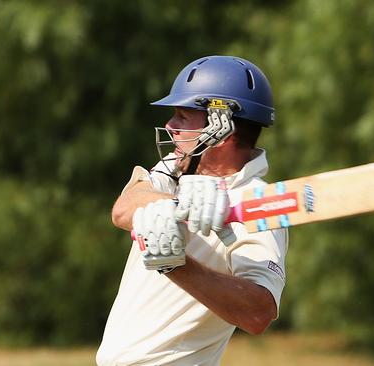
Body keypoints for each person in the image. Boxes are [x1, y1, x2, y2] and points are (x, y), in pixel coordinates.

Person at [96, 55, 288, 366]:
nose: (170, 126)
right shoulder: (177, 169)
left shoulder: (256, 201)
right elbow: (123, 209)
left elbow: (258, 314)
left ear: (221, 129)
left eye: (182, 117)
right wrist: (175, 208)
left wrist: (177, 265)